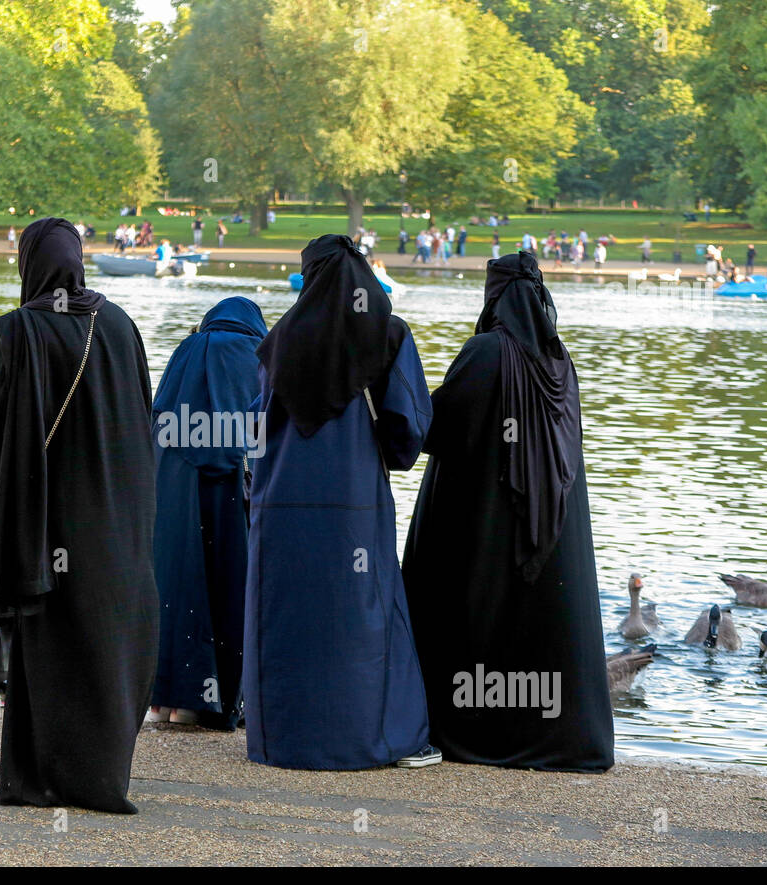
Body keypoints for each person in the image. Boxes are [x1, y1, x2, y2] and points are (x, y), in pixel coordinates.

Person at [0, 217, 158, 813]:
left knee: (50, 644)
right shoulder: (120, 324)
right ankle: (102, 779)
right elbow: (142, 422)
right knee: (101, 643)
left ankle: (44, 778)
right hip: (114, 518)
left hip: (45, 518)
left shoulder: (21, 332)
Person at [401, 251, 613, 772]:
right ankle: (557, 736)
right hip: (552, 530)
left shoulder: (486, 353)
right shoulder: (560, 362)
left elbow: (437, 428)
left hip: (485, 526)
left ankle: (467, 731)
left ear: (494, 298)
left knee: (474, 617)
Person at [243, 234, 439, 771]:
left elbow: (254, 426)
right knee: (362, 613)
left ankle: (280, 740)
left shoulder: (279, 339)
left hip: (280, 501)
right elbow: (407, 429)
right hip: (353, 499)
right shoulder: (388, 335)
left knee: (286, 616)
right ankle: (369, 739)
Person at [149, 296, 267, 730]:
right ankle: (209, 701)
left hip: (174, 483)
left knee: (176, 583)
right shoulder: (253, 352)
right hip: (226, 489)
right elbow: (256, 430)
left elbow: (158, 414)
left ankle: (165, 697)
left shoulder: (186, 348)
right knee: (224, 584)